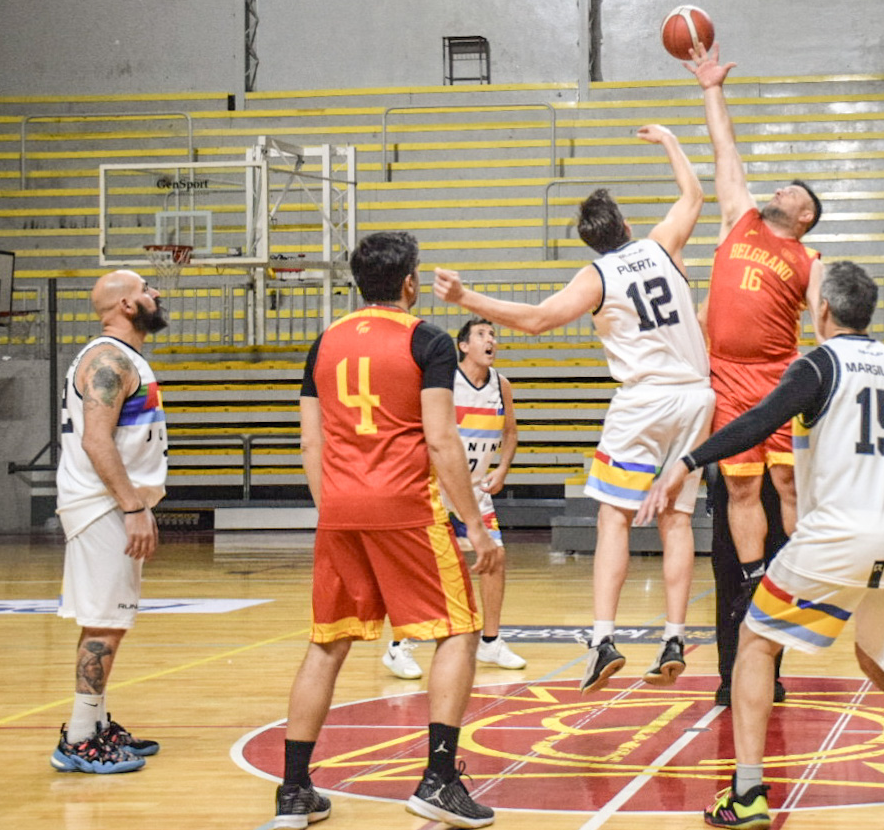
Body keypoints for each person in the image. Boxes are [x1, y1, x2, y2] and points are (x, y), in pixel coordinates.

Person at [639, 261, 884, 830]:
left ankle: (747, 794)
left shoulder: (820, 363)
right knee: (881, 658)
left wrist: (687, 461)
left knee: (753, 641)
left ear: (821, 309)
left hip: (841, 531)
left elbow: (758, 421)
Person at [434, 124, 713, 695]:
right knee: (677, 519)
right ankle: (674, 637)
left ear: (592, 242)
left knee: (613, 516)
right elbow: (694, 196)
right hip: (696, 396)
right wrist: (669, 144)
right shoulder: (662, 244)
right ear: (628, 227)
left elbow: (536, 320)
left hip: (643, 400)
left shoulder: (597, 275)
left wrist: (466, 298)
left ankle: (605, 636)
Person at [273, 231, 502, 829]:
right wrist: (474, 527)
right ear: (409, 282)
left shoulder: (324, 343)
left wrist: (336, 507)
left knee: (327, 643)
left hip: (340, 509)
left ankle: (294, 791)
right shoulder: (427, 339)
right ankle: (439, 780)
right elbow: (441, 438)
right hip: (406, 508)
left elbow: (310, 440)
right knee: (459, 630)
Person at [685, 42, 824, 702]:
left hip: (776, 377)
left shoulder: (810, 256)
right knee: (741, 495)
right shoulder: (739, 218)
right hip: (726, 377)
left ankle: (796, 575)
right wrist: (711, 88)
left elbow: (830, 327)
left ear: (804, 216)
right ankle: (750, 575)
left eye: (791, 191)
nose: (779, 187)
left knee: (786, 489)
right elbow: (724, 153)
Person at [50, 269, 169, 775]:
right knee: (105, 624)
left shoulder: (118, 357)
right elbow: (96, 441)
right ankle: (79, 739)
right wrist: (133, 507)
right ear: (125, 305)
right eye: (145, 289)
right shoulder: (109, 359)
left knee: (106, 619)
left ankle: (93, 726)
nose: (155, 294)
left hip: (105, 503)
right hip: (103, 505)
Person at [384, 318, 527, 678]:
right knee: (433, 570)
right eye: (481, 334)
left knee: (496, 558)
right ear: (463, 346)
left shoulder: (501, 386)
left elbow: (510, 434)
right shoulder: (444, 383)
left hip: (476, 490)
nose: (490, 339)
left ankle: (490, 642)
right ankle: (399, 646)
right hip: (437, 490)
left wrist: (503, 470)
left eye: (493, 334)